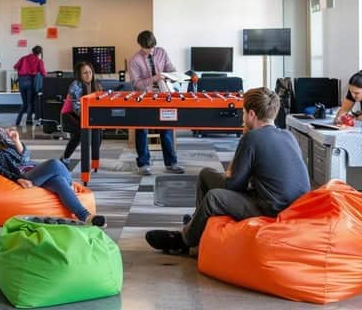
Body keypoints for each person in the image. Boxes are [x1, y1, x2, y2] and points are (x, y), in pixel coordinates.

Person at [145, 87, 310, 254]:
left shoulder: (252, 137)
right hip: (293, 207)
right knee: (206, 175)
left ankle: (183, 241)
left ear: (251, 114)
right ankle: (196, 225)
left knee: (213, 197)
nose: (242, 117)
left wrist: (242, 143)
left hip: (271, 209)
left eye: (243, 112)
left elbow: (234, 185)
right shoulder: (288, 135)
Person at [0, 112, 105, 226]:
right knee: (55, 164)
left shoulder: (0, 142)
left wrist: (16, 142)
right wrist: (17, 178)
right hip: (20, 176)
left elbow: (25, 158)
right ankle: (70, 186)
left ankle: (86, 217)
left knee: (59, 180)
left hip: (28, 169)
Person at [128, 30, 184, 175]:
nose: (151, 51)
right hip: (144, 97)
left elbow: (170, 69)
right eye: (147, 48)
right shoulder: (134, 60)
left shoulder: (161, 52)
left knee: (166, 128)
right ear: (140, 45)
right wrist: (154, 78)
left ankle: (171, 163)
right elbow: (136, 84)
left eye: (153, 47)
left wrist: (172, 75)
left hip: (163, 95)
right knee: (142, 129)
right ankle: (143, 165)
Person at [60, 62, 102, 166]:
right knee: (79, 135)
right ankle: (65, 159)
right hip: (71, 115)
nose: (88, 75)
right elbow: (77, 108)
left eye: (90, 72)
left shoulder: (96, 85)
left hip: (88, 114)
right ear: (80, 75)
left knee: (98, 132)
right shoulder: (75, 85)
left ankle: (94, 159)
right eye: (85, 73)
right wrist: (91, 118)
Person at [13, 45, 46, 126]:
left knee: (24, 103)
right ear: (40, 53)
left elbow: (15, 67)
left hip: (21, 82)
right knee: (30, 103)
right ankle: (28, 121)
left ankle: (18, 121)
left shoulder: (24, 58)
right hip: (30, 82)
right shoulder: (39, 61)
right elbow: (43, 73)